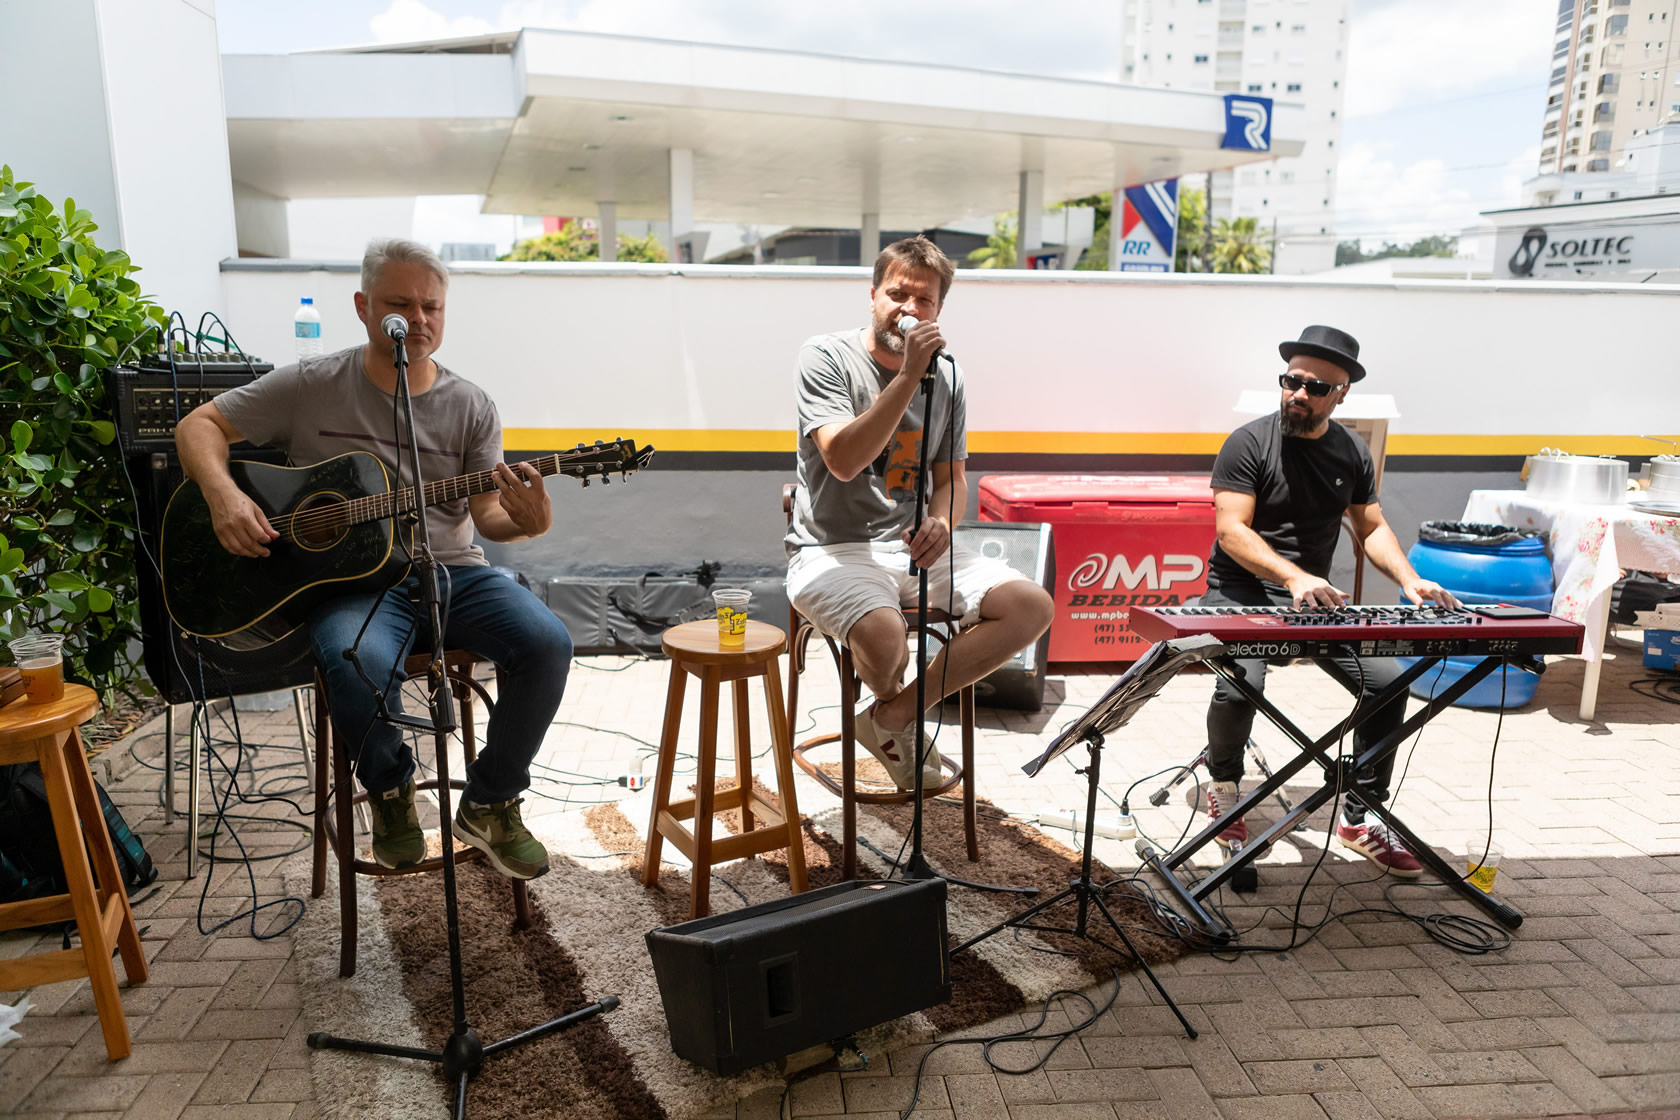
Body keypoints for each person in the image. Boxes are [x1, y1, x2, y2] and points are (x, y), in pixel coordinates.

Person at [175, 238, 570, 880]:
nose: (417, 320)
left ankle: (493, 800)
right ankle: (390, 789)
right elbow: (198, 425)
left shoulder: (470, 405)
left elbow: (488, 515)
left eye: (431, 307)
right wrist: (223, 497)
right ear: (362, 307)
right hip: (351, 583)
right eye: (400, 304)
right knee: (354, 660)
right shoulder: (312, 383)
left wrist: (529, 522)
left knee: (548, 641)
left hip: (453, 572)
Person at [785, 236, 1055, 790]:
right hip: (829, 551)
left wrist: (942, 522)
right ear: (872, 295)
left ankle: (892, 716)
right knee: (884, 637)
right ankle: (894, 718)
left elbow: (951, 482)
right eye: (897, 294)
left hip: (909, 551)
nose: (909, 309)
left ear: (938, 310)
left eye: (924, 300)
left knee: (1031, 606)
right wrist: (909, 375)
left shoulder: (948, 377)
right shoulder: (826, 356)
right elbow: (841, 460)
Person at [1201, 324, 1459, 877]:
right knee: (1240, 683)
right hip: (1241, 589)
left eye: (1317, 386)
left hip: (1311, 600)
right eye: (1291, 380)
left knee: (1389, 683)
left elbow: (1372, 528)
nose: (1299, 393)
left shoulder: (1351, 452)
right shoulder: (1247, 443)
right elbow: (1231, 532)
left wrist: (1409, 580)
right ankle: (1224, 785)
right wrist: (1293, 577)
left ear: (1341, 394)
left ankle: (1360, 812)